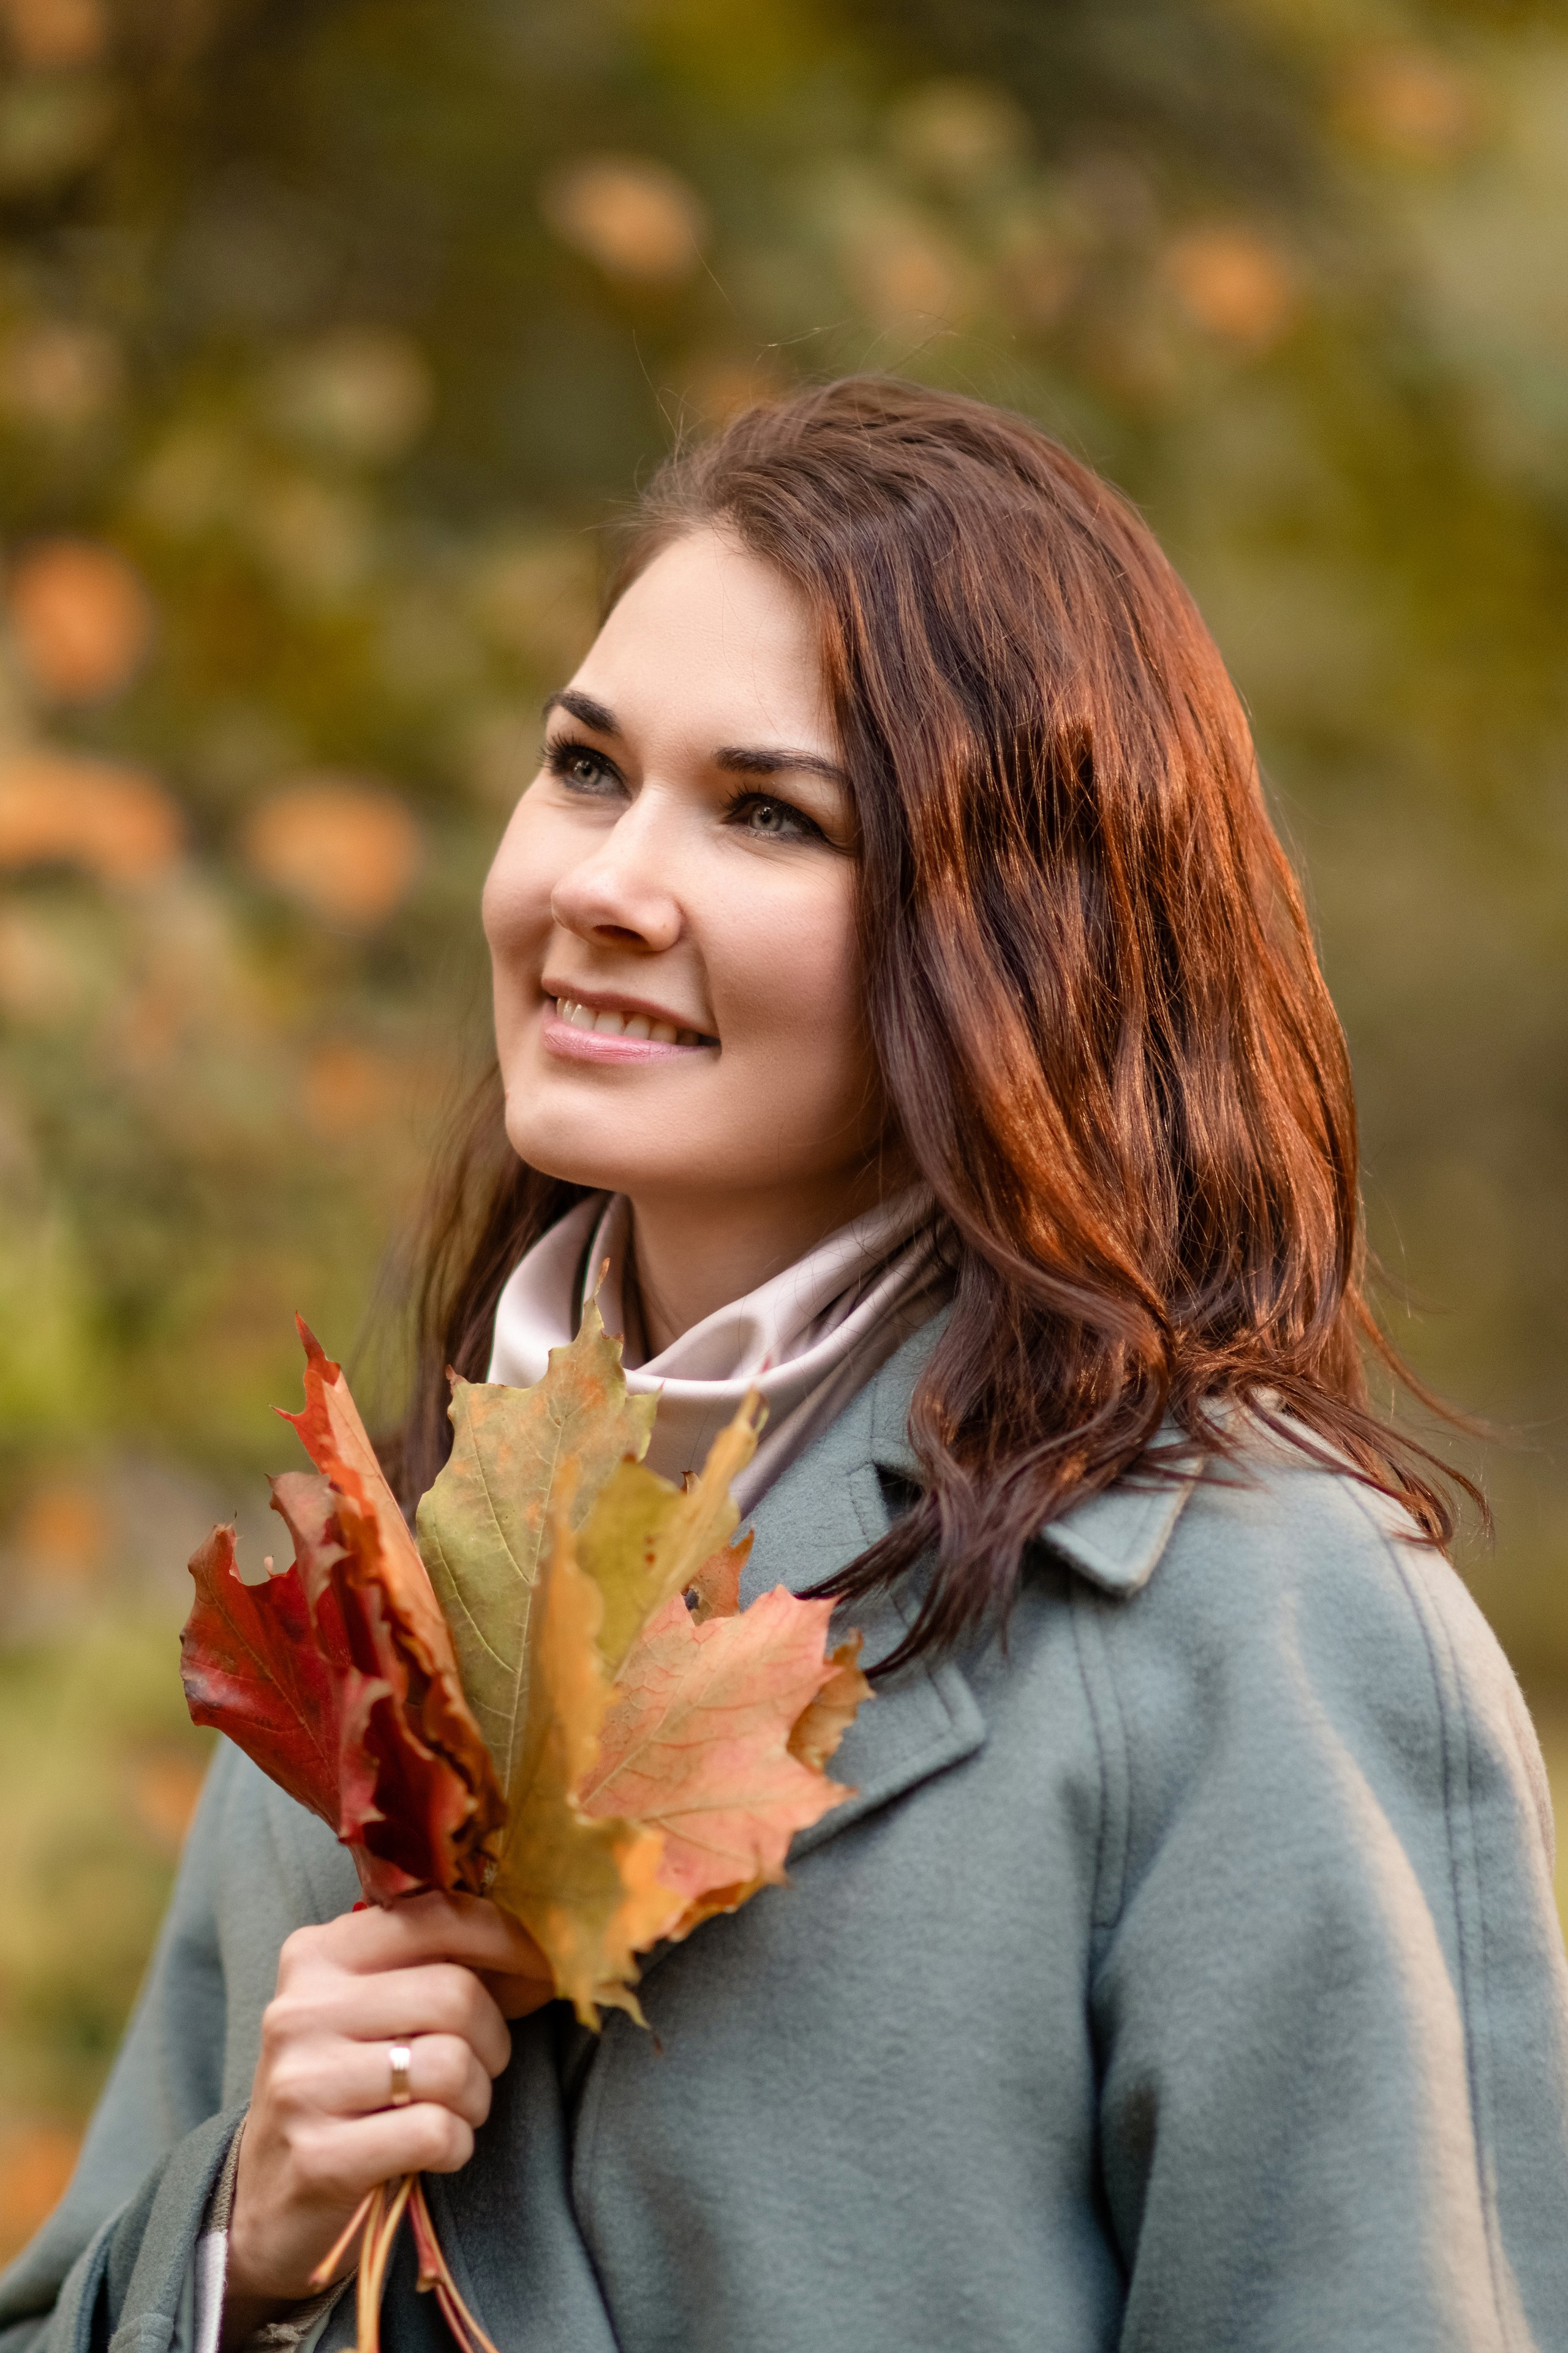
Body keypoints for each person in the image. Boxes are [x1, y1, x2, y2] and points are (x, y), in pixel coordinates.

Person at [4, 377, 1566, 2353]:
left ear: (1016, 940)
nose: (605, 885)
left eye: (767, 812)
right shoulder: (374, 1593)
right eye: (585, 767)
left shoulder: (1249, 1617)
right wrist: (249, 2244)